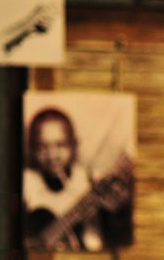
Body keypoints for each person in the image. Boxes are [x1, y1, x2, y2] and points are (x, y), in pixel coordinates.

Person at [23, 107, 133, 251]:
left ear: (74, 145)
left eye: (60, 145)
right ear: (31, 149)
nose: (52, 155)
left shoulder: (89, 179)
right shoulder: (27, 183)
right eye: (42, 147)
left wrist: (118, 212)